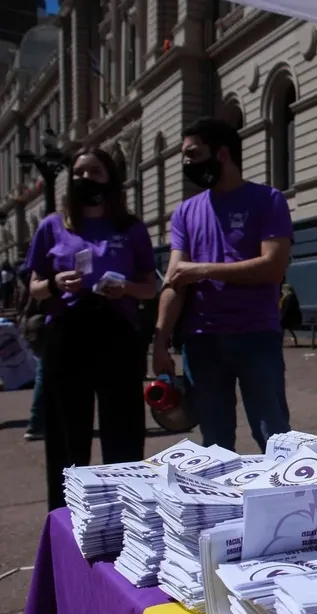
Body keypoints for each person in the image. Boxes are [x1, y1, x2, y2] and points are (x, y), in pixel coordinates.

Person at [24, 147, 157, 511]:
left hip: (117, 332)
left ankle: (129, 512)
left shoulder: (130, 228)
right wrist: (54, 285)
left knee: (124, 429)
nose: (84, 179)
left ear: (110, 178)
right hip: (67, 334)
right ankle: (66, 517)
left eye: (94, 172)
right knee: (67, 434)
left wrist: (126, 288)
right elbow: (33, 286)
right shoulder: (52, 226)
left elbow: (151, 286)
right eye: (78, 173)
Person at [153, 117, 293, 452]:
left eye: (193, 153)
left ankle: (287, 500)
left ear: (222, 154)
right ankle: (222, 505)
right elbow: (175, 279)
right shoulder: (185, 213)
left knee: (273, 434)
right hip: (201, 343)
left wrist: (202, 269)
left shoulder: (268, 200)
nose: (187, 163)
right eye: (184, 156)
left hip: (256, 335)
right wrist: (159, 340)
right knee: (215, 442)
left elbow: (272, 267)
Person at [18, 264, 45, 441]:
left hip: (31, 326)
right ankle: (36, 424)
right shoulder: (40, 276)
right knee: (44, 374)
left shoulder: (24, 276)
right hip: (41, 325)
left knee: (43, 373)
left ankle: (39, 422)